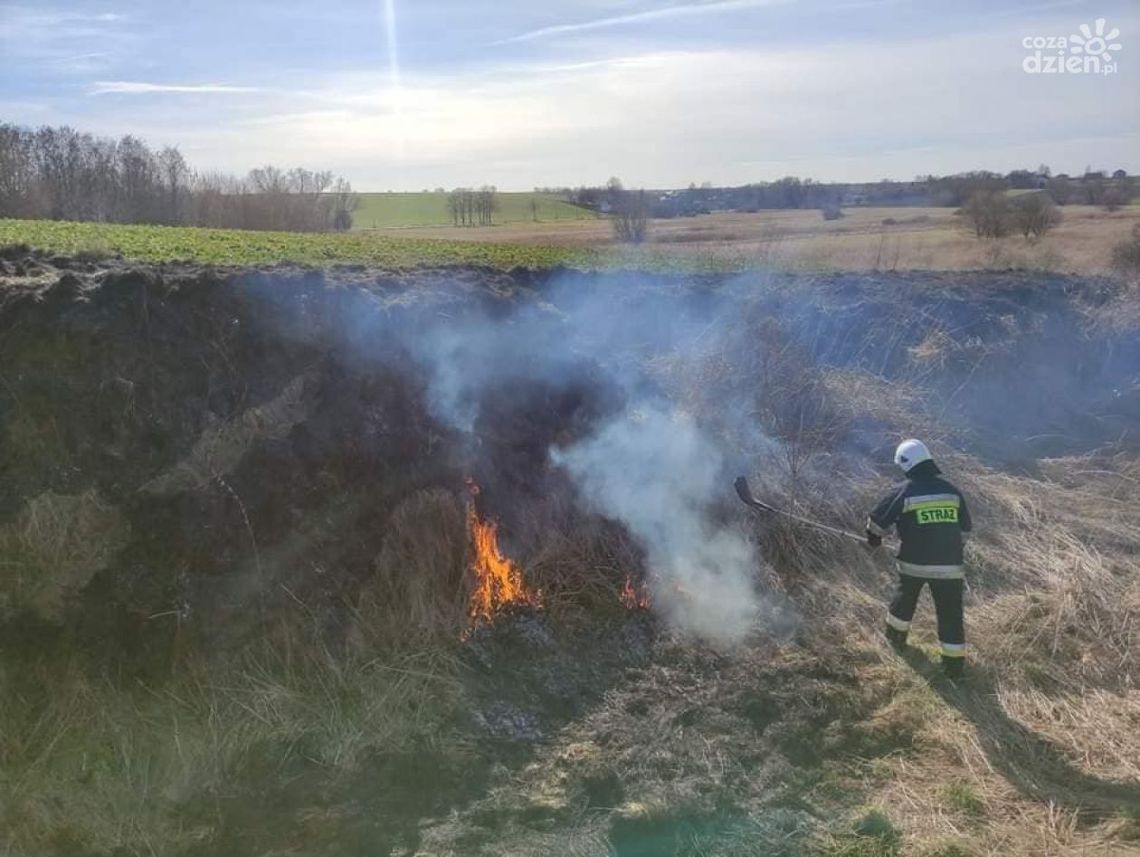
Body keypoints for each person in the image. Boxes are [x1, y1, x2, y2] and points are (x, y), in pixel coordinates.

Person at [866, 439, 972, 679]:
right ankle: (954, 667)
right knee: (950, 614)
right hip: (950, 567)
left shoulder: (905, 491)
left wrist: (874, 540)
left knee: (904, 601)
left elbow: (877, 523)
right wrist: (951, 547)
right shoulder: (952, 491)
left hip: (914, 565)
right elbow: (965, 529)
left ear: (907, 464)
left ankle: (895, 641)